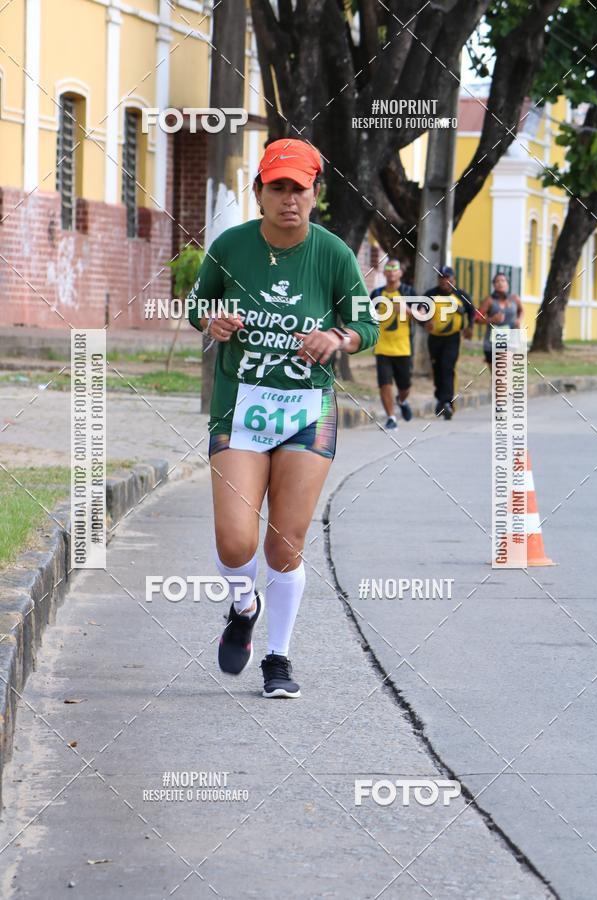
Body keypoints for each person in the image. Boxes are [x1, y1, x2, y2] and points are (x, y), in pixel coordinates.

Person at [187, 138, 378, 699]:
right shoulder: (230, 246)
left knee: (284, 546)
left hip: (307, 413)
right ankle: (244, 605)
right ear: (259, 193)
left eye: (300, 188)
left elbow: (366, 325)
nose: (289, 199)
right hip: (241, 409)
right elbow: (201, 304)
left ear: (315, 194)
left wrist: (337, 336)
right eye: (279, 188)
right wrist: (212, 322)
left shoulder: (333, 254)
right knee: (233, 542)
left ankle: (278, 657)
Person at [422, 265, 474, 420]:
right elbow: (419, 311)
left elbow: (472, 312)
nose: (445, 281)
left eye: (448, 278)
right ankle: (440, 399)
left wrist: (470, 327)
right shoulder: (430, 295)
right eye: (442, 278)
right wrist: (425, 322)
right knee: (437, 368)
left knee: (447, 366)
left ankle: (447, 402)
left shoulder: (461, 295)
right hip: (435, 338)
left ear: (453, 279)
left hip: (453, 337)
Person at [371, 259, 416, 429]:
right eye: (388, 269)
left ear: (400, 273)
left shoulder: (408, 292)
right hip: (382, 347)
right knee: (384, 383)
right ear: (384, 273)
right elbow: (367, 316)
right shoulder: (377, 293)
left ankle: (402, 400)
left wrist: (407, 310)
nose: (391, 273)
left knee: (405, 386)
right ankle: (391, 418)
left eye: (394, 269)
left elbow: (423, 316)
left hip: (403, 348)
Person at [478, 273, 524, 368]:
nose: (500, 283)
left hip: (510, 342)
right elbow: (477, 319)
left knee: (502, 374)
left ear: (507, 284)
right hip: (492, 344)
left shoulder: (514, 299)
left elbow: (521, 310)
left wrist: (519, 320)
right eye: (497, 281)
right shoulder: (489, 300)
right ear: (494, 285)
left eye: (503, 280)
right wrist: (491, 320)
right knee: (497, 378)